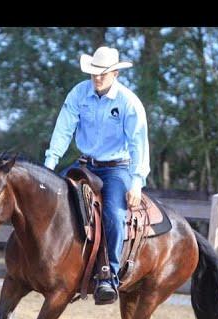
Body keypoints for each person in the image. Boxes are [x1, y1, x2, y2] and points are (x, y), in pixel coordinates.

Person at [44, 46, 150, 304]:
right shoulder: (79, 93)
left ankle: (109, 276)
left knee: (113, 213)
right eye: (94, 72)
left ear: (115, 73)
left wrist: (136, 183)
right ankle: (56, 265)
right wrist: (50, 164)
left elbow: (139, 144)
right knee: (49, 198)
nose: (97, 77)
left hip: (117, 168)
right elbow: (63, 129)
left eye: (102, 73)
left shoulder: (128, 103)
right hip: (84, 164)